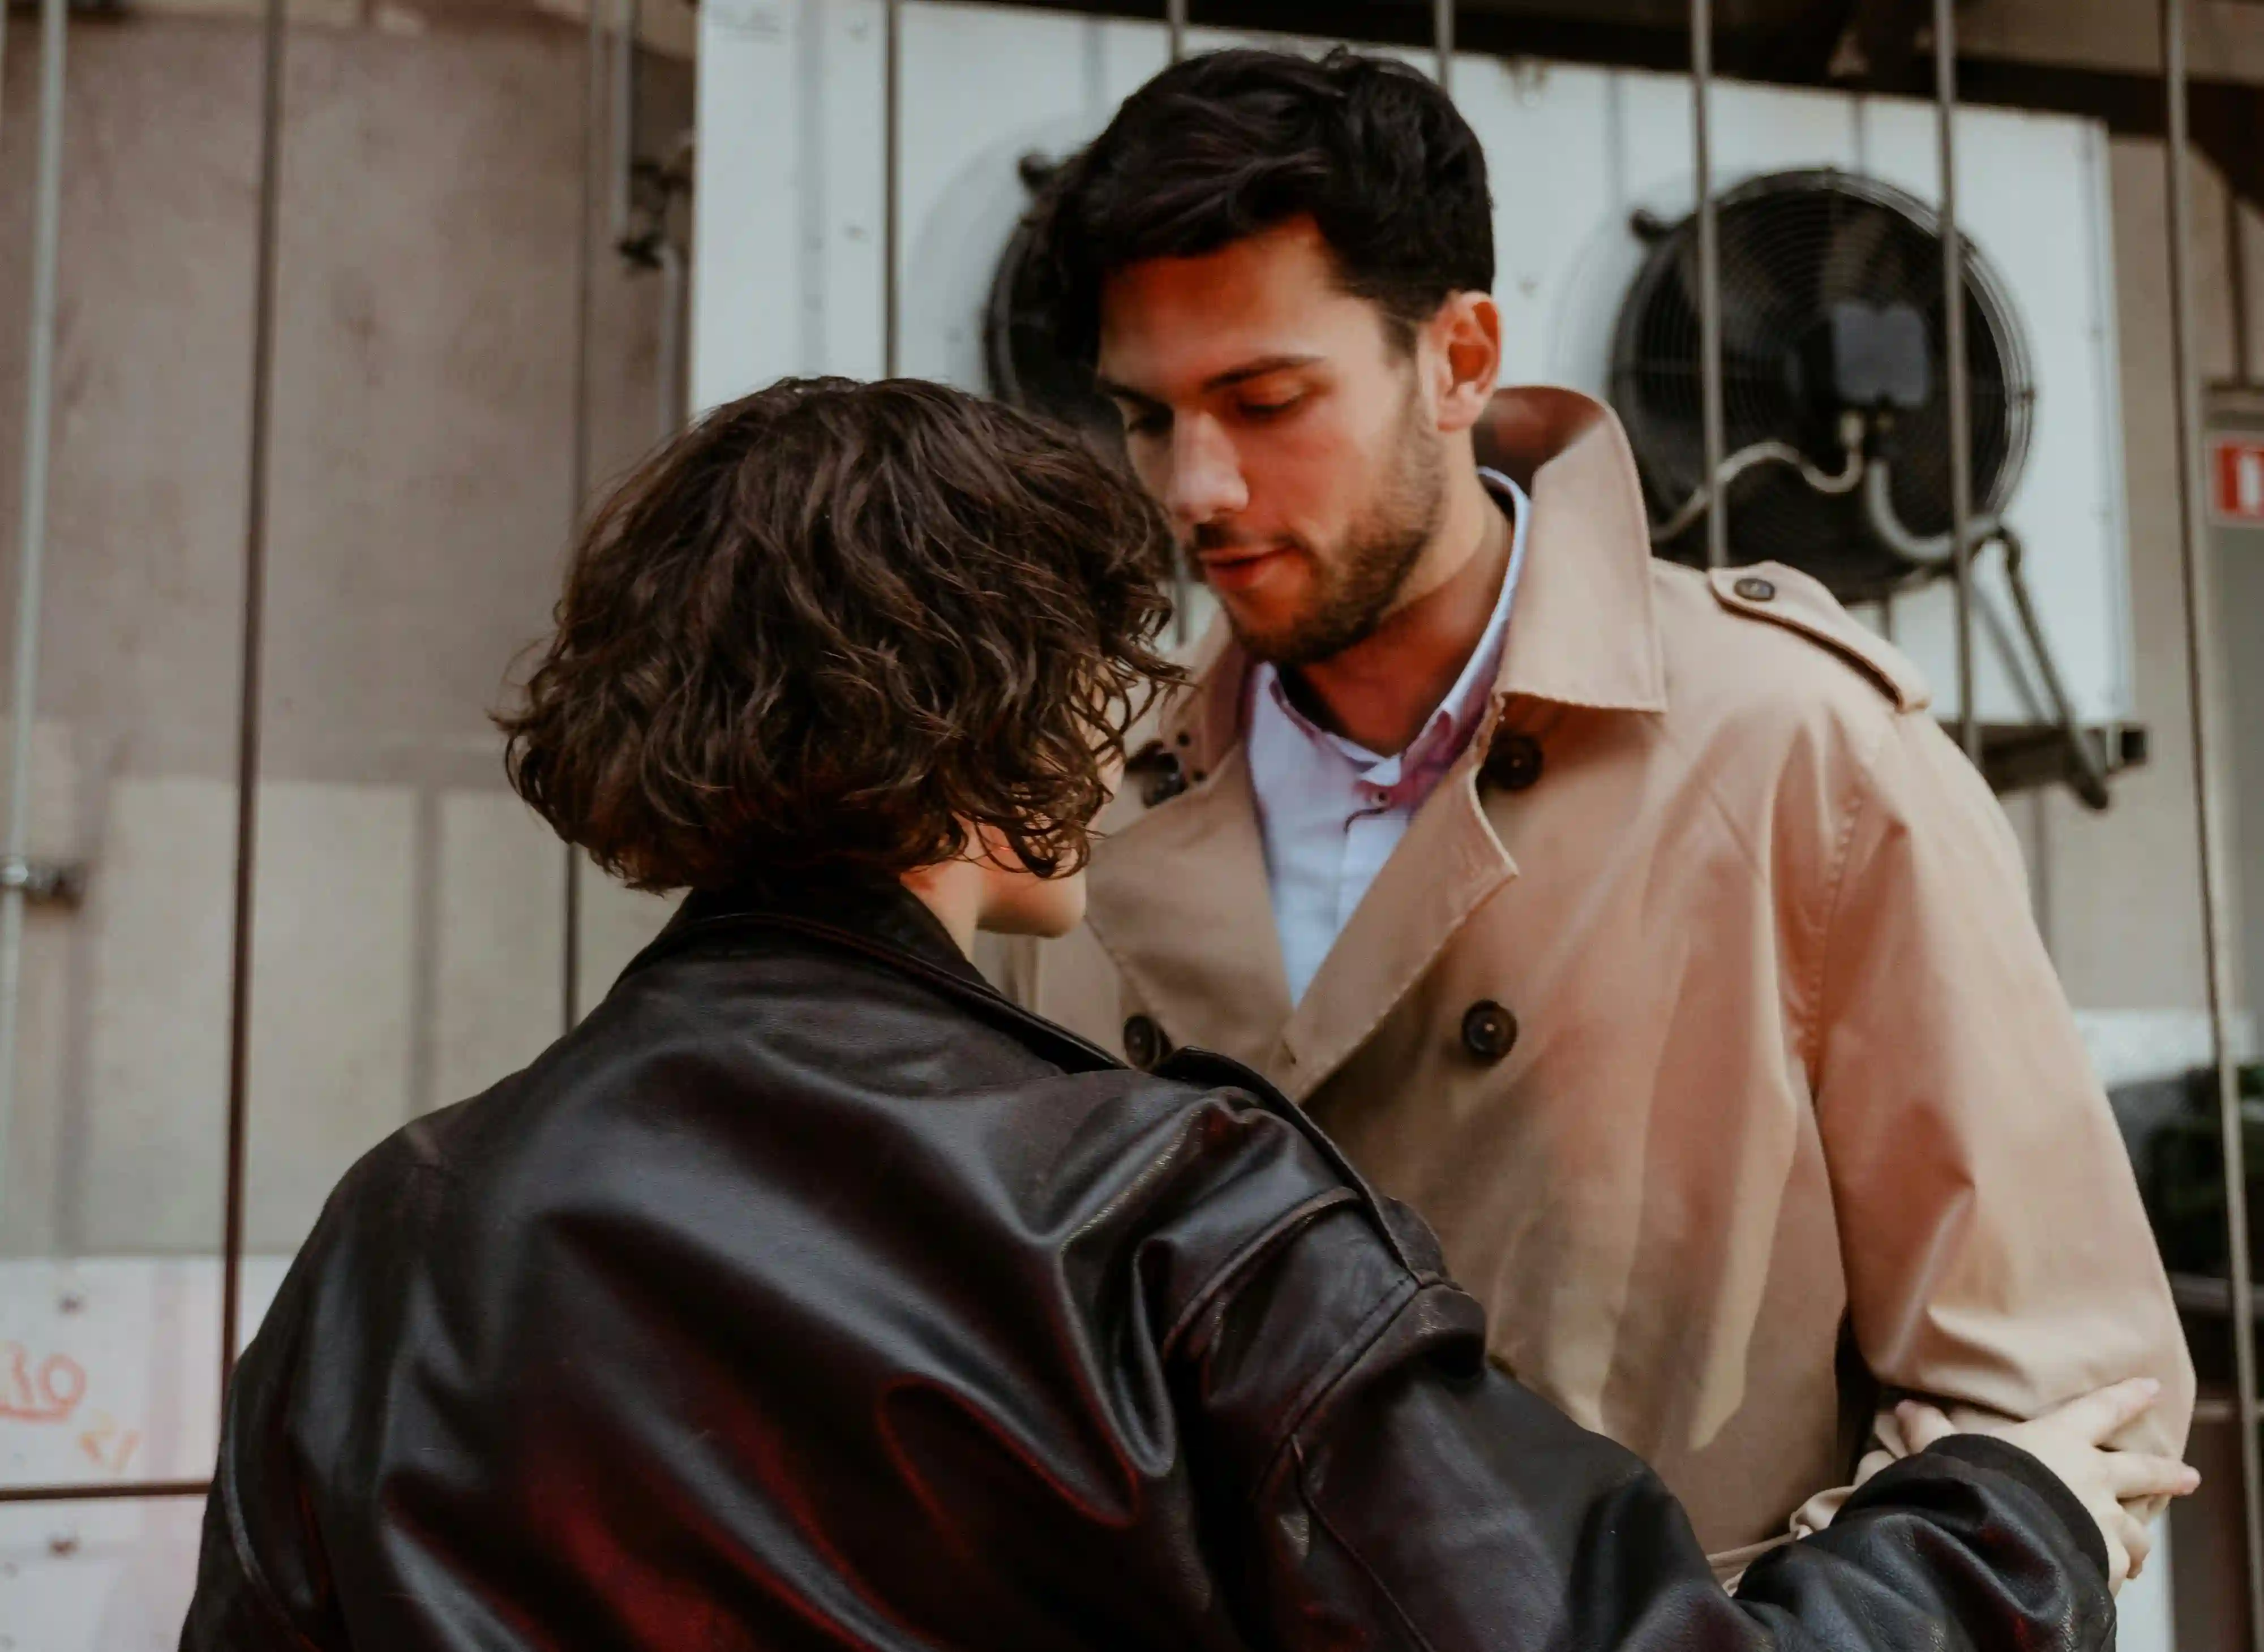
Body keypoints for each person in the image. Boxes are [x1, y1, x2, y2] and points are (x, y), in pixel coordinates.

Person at [178, 377, 2188, 1651]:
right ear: (992, 724)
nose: (1121, 717)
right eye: (1087, 667)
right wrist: (2018, 1519)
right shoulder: (1169, 1221)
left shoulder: (400, 1232)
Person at [996, 45, 2196, 1576]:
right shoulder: (1079, 812)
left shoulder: (1798, 751)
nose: (1199, 489)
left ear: (1460, 358)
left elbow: (2055, 1397)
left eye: (1266, 398)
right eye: (1149, 417)